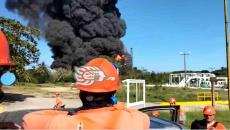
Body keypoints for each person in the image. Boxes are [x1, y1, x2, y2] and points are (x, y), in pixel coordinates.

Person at [22, 58, 150, 129]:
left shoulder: (59, 123)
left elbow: (28, 119)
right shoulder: (136, 120)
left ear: (81, 91)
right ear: (114, 92)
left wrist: (74, 112)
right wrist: (118, 107)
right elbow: (140, 116)